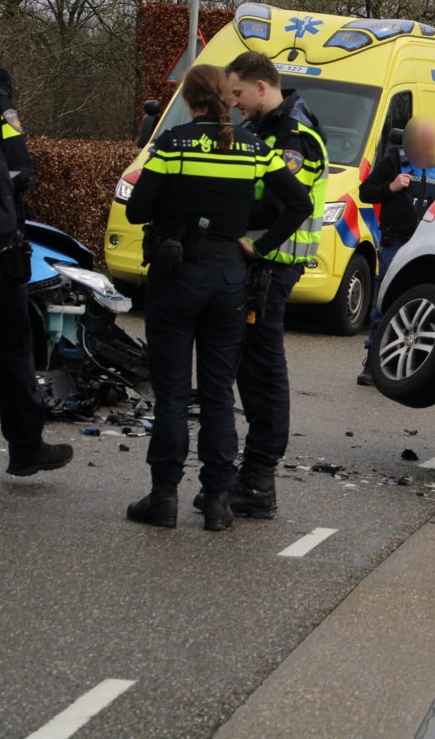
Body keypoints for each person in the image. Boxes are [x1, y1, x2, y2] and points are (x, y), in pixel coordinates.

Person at [125, 64, 310, 531]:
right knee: (218, 395)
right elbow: (299, 204)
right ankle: (217, 502)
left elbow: (137, 208)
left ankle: (164, 496)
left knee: (170, 393)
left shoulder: (173, 143)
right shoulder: (253, 146)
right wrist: (261, 246)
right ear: (225, 99)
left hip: (177, 274)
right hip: (230, 276)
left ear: (190, 101)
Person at [214, 51, 329, 519]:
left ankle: (260, 481)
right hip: (264, 266)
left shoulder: (292, 135)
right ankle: (253, 478)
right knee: (251, 370)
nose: (235, 103)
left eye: (238, 94)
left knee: (263, 372)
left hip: (273, 267)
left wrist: (250, 242)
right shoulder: (270, 128)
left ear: (262, 87)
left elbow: (285, 206)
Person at [0, 17, 73, 528]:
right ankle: (26, 445)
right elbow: (20, 168)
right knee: (13, 343)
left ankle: (28, 445)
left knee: (14, 342)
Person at [357, 116, 435, 385]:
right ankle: (372, 362)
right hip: (396, 243)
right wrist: (390, 187)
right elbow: (365, 193)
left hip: (427, 250)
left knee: (415, 304)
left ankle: (403, 362)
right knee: (386, 299)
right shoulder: (392, 163)